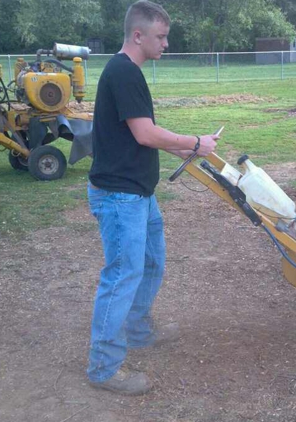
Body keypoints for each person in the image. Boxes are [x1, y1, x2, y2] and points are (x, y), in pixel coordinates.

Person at [87, 0, 218, 395]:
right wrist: (196, 141)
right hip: (119, 196)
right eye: (161, 36)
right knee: (122, 275)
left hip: (139, 193)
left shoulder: (129, 72)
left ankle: (139, 331)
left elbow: (141, 131)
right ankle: (104, 368)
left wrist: (183, 150)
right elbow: (145, 134)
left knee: (151, 262)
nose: (166, 43)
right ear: (138, 35)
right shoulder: (123, 72)